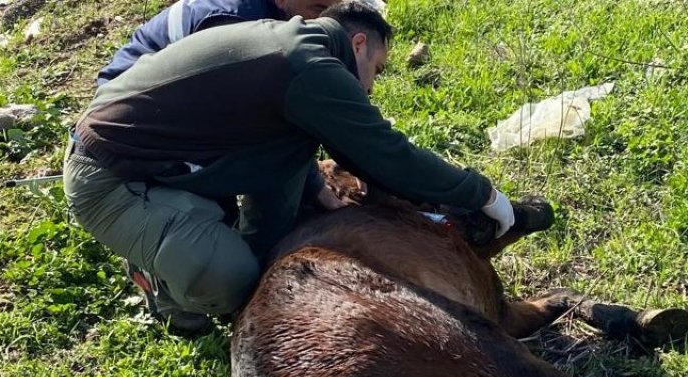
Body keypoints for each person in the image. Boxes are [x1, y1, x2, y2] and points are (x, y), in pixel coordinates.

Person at [64, 1, 516, 333]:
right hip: (110, 175)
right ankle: (160, 283)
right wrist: (483, 194)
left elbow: (305, 154)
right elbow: (388, 155)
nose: (372, 88)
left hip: (170, 157)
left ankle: (198, 229)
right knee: (231, 279)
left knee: (290, 167)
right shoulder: (307, 64)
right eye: (376, 70)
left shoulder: (293, 46)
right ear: (358, 44)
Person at [96, 0, 344, 87]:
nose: (320, 22)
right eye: (317, 9)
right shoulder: (236, 22)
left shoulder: (272, 15)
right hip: (124, 109)